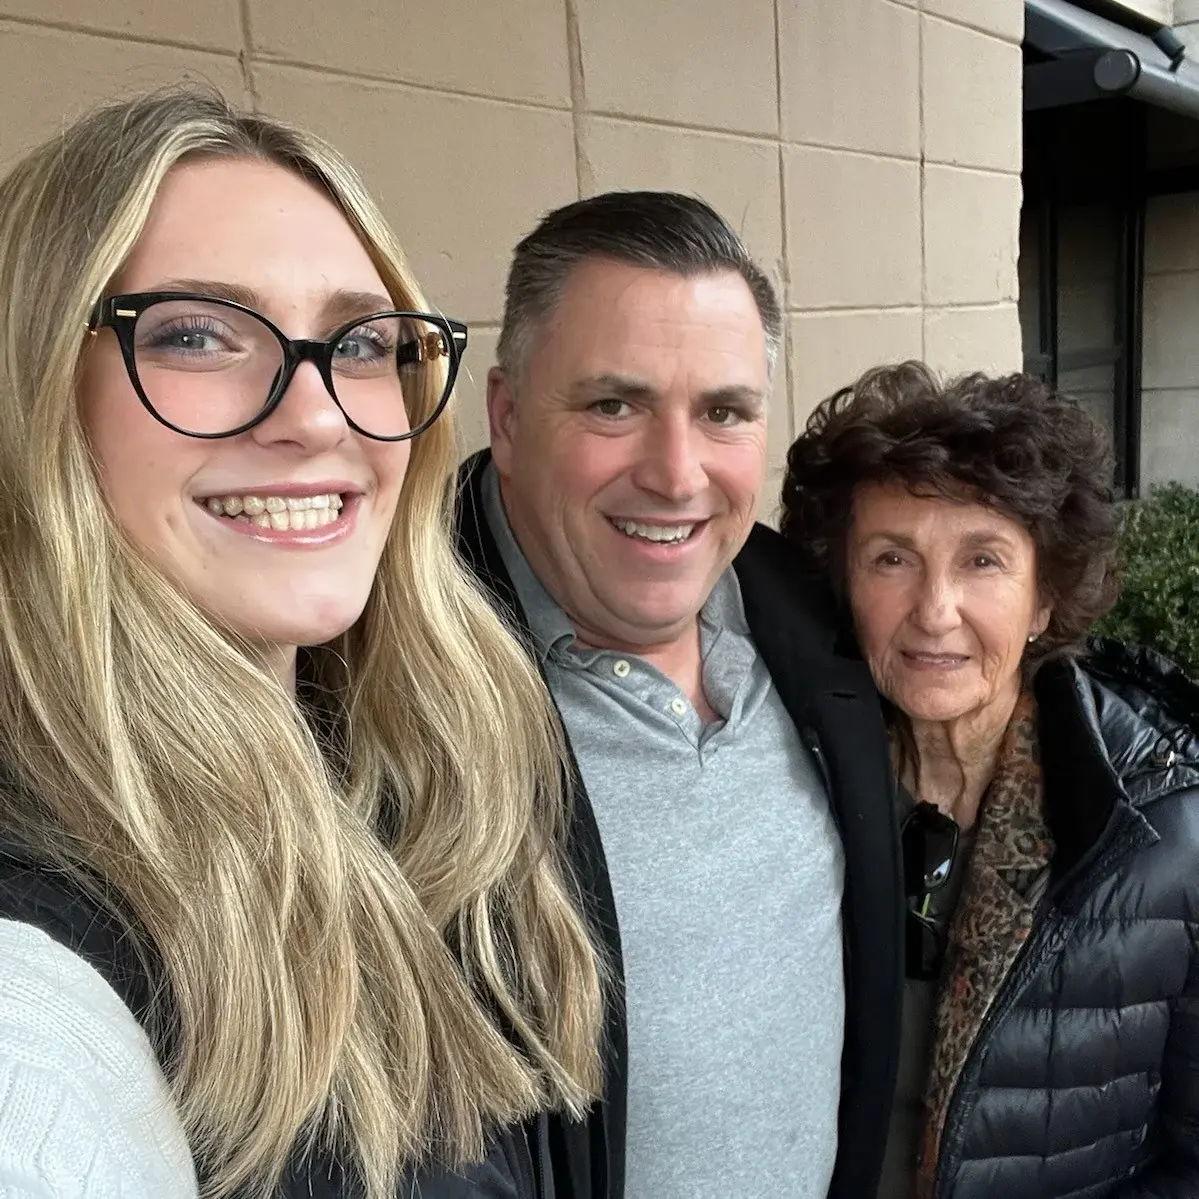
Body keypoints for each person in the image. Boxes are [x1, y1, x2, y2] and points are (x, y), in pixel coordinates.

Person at [0, 88, 605, 1199]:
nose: (318, 414)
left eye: (363, 342)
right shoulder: (35, 989)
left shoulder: (428, 777)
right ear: (33, 391)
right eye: (196, 332)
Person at [456, 191, 903, 1199]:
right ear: (507, 415)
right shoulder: (380, 697)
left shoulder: (811, 624)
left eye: (722, 412)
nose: (674, 472)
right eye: (613, 405)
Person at [779, 361, 1199, 1199]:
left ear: (1043, 597)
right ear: (844, 582)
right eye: (892, 558)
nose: (935, 609)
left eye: (981, 560)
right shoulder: (784, 785)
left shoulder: (1160, 834)